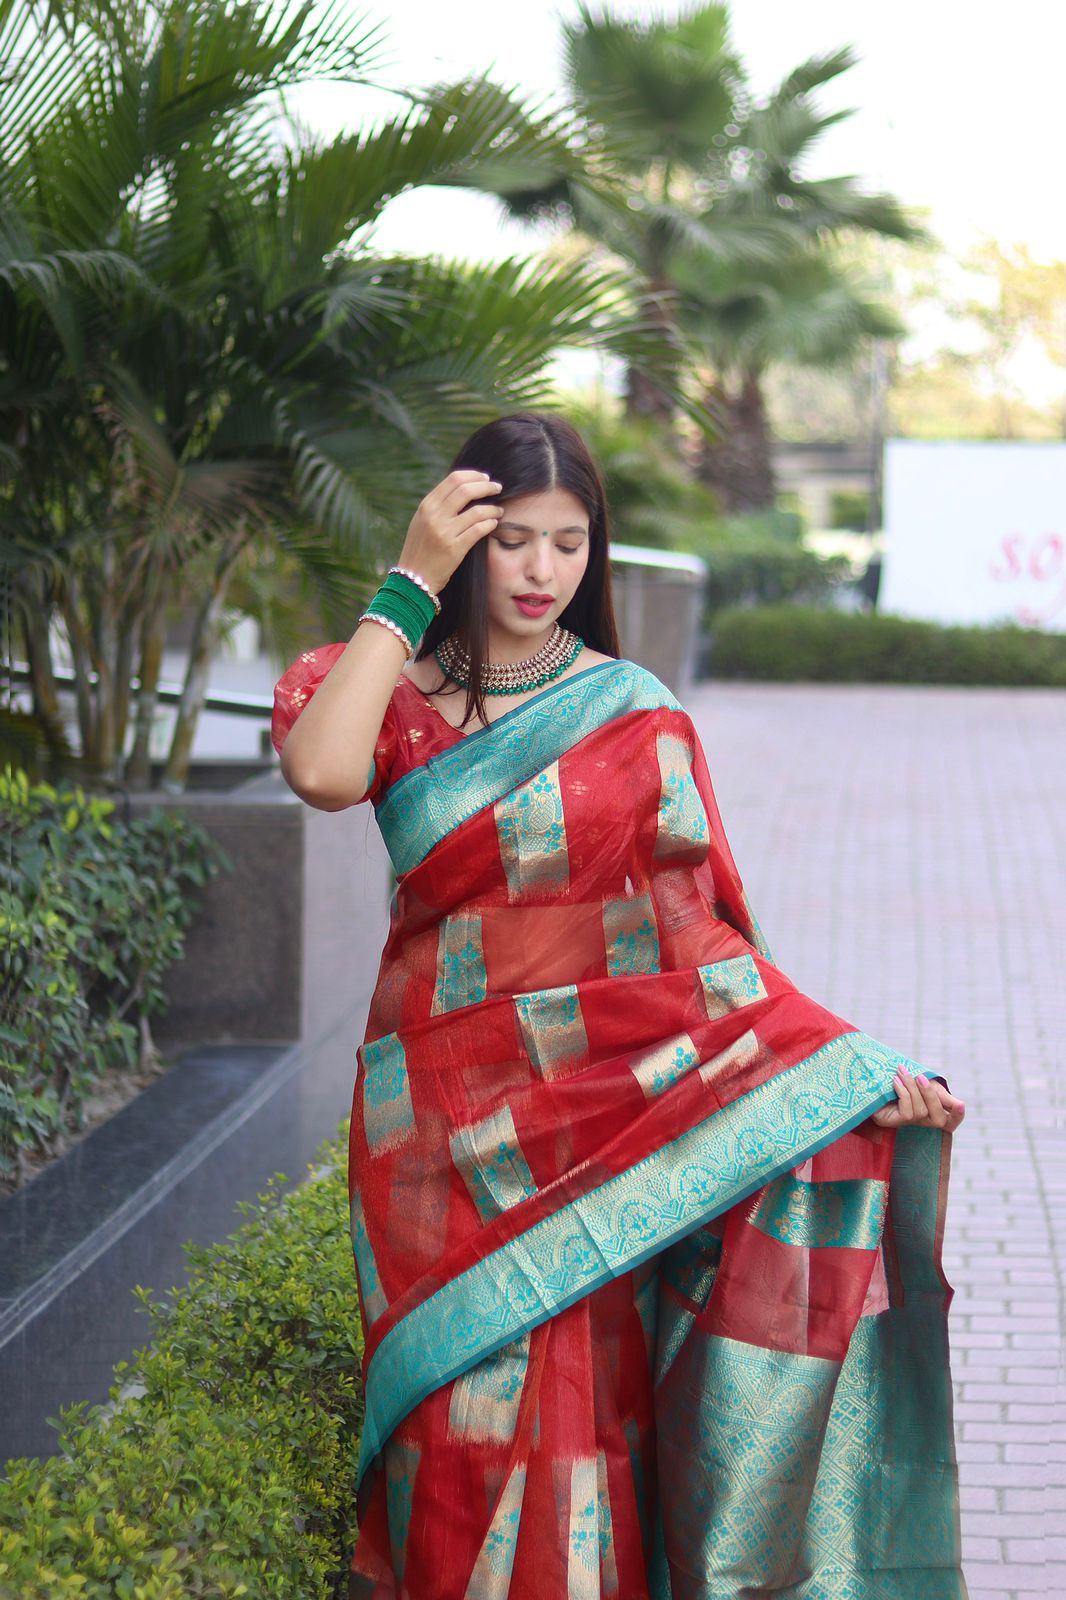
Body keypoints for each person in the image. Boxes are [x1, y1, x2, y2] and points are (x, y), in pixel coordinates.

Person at [272, 411, 968, 1600]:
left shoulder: (631, 711)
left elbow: (700, 950)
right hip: (433, 1131)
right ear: (462, 537)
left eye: (569, 544)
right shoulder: (380, 686)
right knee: (456, 1441)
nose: (542, 572)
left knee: (581, 1450)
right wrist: (405, 583)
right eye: (513, 542)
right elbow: (324, 772)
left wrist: (853, 1073)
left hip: (595, 1130)